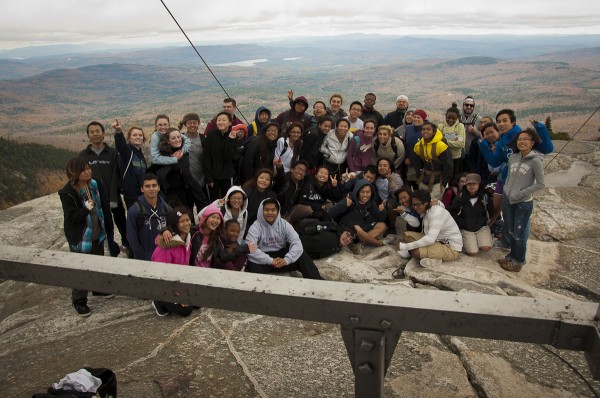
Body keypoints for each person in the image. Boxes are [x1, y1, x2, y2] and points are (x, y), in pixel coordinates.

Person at [59, 157, 114, 316]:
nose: (88, 171)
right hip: (82, 237)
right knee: (80, 269)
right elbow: (72, 218)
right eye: (83, 170)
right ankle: (79, 300)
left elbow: (104, 205)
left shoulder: (95, 183)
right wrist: (86, 208)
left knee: (98, 263)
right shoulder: (68, 192)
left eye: (88, 168)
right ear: (74, 173)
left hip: (97, 231)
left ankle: (98, 289)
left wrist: (109, 229)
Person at [499, 128, 546, 272]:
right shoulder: (513, 157)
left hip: (523, 202)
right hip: (509, 199)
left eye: (525, 139)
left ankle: (518, 262)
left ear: (532, 142)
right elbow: (508, 177)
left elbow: (540, 183)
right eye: (519, 139)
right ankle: (511, 256)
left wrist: (521, 193)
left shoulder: (535, 161)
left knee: (519, 233)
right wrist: (506, 190)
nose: (522, 141)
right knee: (512, 230)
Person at [246, 198, 324, 279]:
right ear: (261, 211)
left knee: (301, 254)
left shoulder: (284, 224)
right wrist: (270, 261)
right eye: (266, 210)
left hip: (282, 258)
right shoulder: (255, 227)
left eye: (273, 210)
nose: (269, 213)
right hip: (264, 259)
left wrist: (287, 259)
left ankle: (317, 280)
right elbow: (251, 249)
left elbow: (296, 242)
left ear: (278, 211)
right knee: (252, 262)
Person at [80, 121, 126, 256]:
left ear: (103, 133)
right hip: (94, 199)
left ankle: (127, 246)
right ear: (88, 135)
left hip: (113, 196)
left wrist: (113, 197)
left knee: (121, 223)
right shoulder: (83, 156)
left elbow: (116, 176)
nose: (95, 134)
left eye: (97, 131)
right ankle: (110, 250)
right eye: (92, 132)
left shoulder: (112, 153)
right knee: (104, 226)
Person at [398, 189, 462, 267]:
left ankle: (434, 257)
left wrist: (408, 246)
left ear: (426, 202)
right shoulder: (425, 210)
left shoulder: (436, 213)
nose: (415, 207)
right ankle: (433, 256)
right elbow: (416, 224)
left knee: (415, 252)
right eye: (413, 204)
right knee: (406, 235)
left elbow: (430, 239)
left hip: (451, 248)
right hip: (436, 241)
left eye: (417, 204)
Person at [329, 179, 395, 254]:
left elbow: (380, 218)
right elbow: (331, 213)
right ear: (358, 192)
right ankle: (379, 243)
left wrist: (382, 210)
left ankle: (358, 242)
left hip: (361, 224)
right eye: (362, 192)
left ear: (371, 192)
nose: (365, 195)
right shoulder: (349, 199)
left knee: (382, 225)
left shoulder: (370, 202)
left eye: (368, 192)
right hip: (347, 226)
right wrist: (344, 204)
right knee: (358, 228)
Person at [150, 206, 194, 317]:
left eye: (187, 220)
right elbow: (162, 275)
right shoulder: (168, 244)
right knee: (186, 311)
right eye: (182, 221)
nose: (186, 223)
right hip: (165, 286)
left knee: (199, 302)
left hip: (179, 283)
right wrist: (179, 295)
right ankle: (158, 301)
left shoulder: (187, 238)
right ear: (175, 224)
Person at [150, 128, 205, 208]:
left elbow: (186, 172)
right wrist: (172, 160)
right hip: (171, 194)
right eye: (173, 138)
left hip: (187, 189)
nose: (177, 140)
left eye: (178, 137)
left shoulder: (183, 152)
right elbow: (156, 173)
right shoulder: (162, 155)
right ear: (168, 141)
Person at [126, 173, 171, 261]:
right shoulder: (134, 211)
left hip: (164, 258)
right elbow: (132, 238)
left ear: (159, 187)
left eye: (154, 185)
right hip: (144, 259)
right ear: (142, 189)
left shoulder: (167, 209)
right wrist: (142, 257)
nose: (151, 189)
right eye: (147, 186)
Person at [449, 173, 494, 256]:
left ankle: (484, 238)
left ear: (479, 184)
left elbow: (491, 211)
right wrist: (460, 224)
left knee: (485, 248)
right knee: (473, 253)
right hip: (466, 229)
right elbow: (452, 212)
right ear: (466, 185)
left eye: (474, 184)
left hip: (481, 228)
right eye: (469, 184)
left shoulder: (485, 197)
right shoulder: (460, 197)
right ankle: (468, 240)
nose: (471, 186)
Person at [203, 111, 240, 201]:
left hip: (227, 176)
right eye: (219, 120)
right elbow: (206, 157)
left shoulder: (234, 135)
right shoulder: (211, 135)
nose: (221, 122)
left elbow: (229, 156)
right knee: (214, 201)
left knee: (227, 200)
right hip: (213, 176)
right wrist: (209, 178)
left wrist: (230, 139)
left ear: (230, 122)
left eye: (224, 120)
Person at [112, 120, 147, 210]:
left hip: (142, 193)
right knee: (135, 218)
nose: (138, 137)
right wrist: (119, 132)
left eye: (140, 135)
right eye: (134, 135)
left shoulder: (140, 154)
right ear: (129, 138)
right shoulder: (127, 151)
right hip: (131, 194)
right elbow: (120, 145)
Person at [412, 121, 453, 199]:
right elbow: (416, 164)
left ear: (434, 132)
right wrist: (419, 176)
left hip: (439, 180)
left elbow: (448, 166)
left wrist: (444, 183)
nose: (425, 131)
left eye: (428, 129)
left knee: (433, 203)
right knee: (422, 203)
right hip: (424, 179)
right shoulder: (418, 146)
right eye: (423, 129)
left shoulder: (441, 146)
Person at [178, 112, 207, 213]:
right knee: (187, 210)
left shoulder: (204, 139)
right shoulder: (180, 139)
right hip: (186, 182)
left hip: (202, 181)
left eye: (195, 122)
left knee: (203, 209)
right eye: (189, 123)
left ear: (198, 123)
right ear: (185, 124)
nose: (192, 125)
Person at [242, 168, 278, 237]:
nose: (264, 181)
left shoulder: (271, 195)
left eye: (267, 179)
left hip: (263, 225)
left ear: (271, 182)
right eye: (261, 178)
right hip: (246, 223)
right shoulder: (248, 191)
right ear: (257, 179)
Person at [438, 103, 466, 177]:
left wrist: (446, 141)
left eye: (453, 118)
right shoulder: (441, 126)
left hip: (456, 158)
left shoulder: (460, 126)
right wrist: (455, 138)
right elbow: (438, 142)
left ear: (457, 118)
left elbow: (461, 143)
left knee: (454, 179)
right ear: (446, 116)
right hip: (443, 158)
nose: (450, 120)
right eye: (448, 118)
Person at [404, 109, 426, 190]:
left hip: (421, 163)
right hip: (410, 162)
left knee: (419, 185)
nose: (416, 119)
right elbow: (406, 144)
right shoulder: (409, 128)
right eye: (415, 117)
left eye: (419, 117)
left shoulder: (426, 130)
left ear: (423, 119)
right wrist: (406, 157)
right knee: (409, 183)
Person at [460, 96, 483, 170]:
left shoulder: (479, 120)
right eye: (466, 105)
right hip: (458, 153)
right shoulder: (457, 118)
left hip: (472, 153)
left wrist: (475, 132)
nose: (469, 107)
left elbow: (485, 136)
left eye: (471, 105)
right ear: (463, 106)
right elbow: (449, 134)